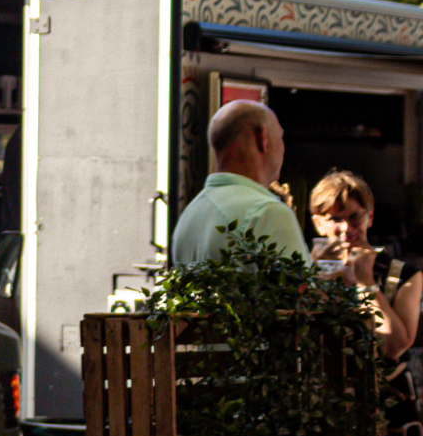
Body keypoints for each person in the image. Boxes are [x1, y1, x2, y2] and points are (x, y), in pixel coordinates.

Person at [169, 98, 310, 266]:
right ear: (262, 139)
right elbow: (299, 290)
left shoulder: (190, 215)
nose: (283, 148)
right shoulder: (267, 212)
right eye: (280, 137)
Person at [307, 168, 422, 362]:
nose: (346, 228)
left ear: (370, 217)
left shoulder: (404, 275)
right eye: (335, 219)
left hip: (387, 388)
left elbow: (393, 347)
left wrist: (365, 282)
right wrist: (314, 275)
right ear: (318, 224)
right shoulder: (306, 270)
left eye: (354, 217)